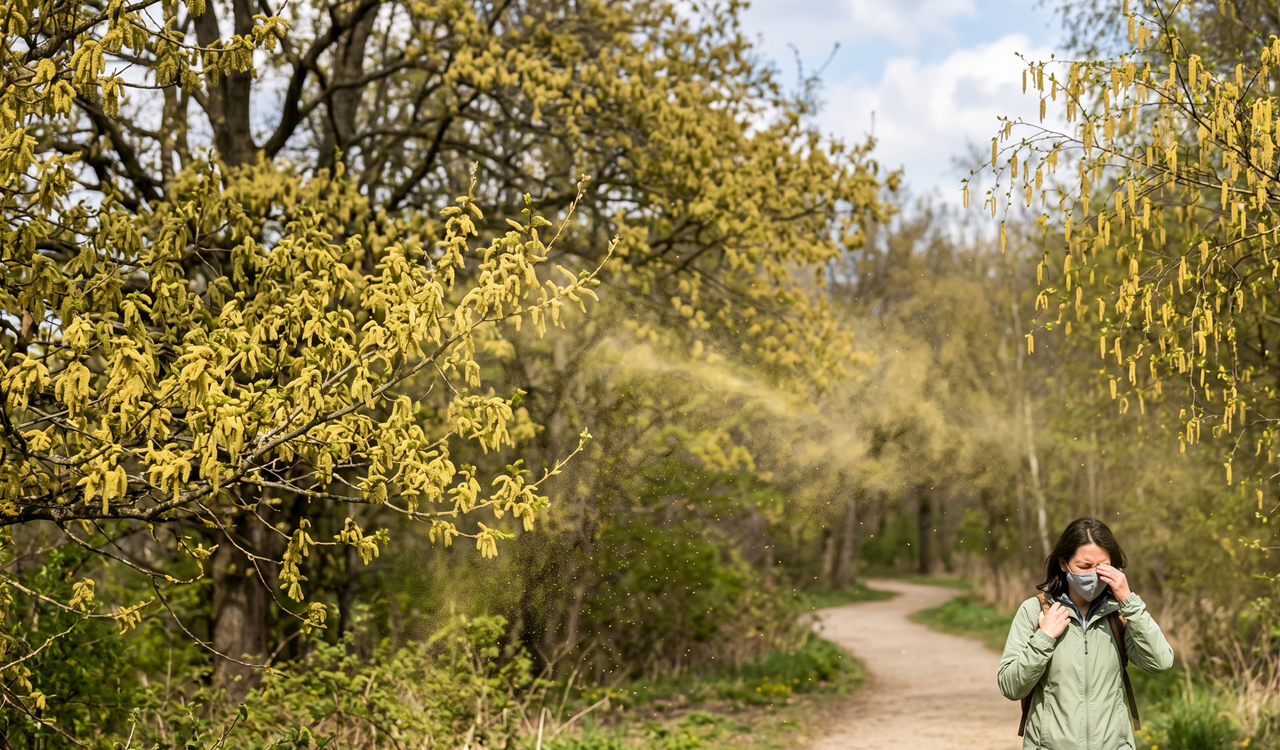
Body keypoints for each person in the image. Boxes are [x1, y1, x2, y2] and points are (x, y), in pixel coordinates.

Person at [998, 517, 1174, 750]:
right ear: (1063, 564)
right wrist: (1044, 638)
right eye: (1084, 566)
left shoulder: (1120, 615)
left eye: (1102, 566)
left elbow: (1161, 662)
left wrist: (1129, 601)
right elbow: (1011, 687)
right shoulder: (1034, 611)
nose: (1093, 574)